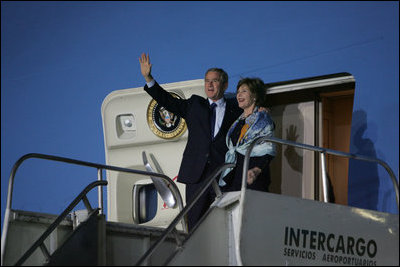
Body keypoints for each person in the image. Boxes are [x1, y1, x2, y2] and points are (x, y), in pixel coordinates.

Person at [139, 53, 242, 231]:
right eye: (207, 80)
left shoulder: (236, 108)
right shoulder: (195, 105)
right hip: (197, 176)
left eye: (215, 81)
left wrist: (260, 109)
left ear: (224, 85)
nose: (209, 84)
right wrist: (149, 78)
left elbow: (252, 114)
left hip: (224, 176)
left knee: (225, 225)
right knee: (195, 224)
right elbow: (168, 101)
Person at [219, 77, 276, 192]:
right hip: (234, 176)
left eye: (244, 91)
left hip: (252, 176)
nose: (239, 95)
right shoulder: (237, 121)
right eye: (238, 92)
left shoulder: (262, 119)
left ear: (254, 96)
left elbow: (268, 149)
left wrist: (256, 169)